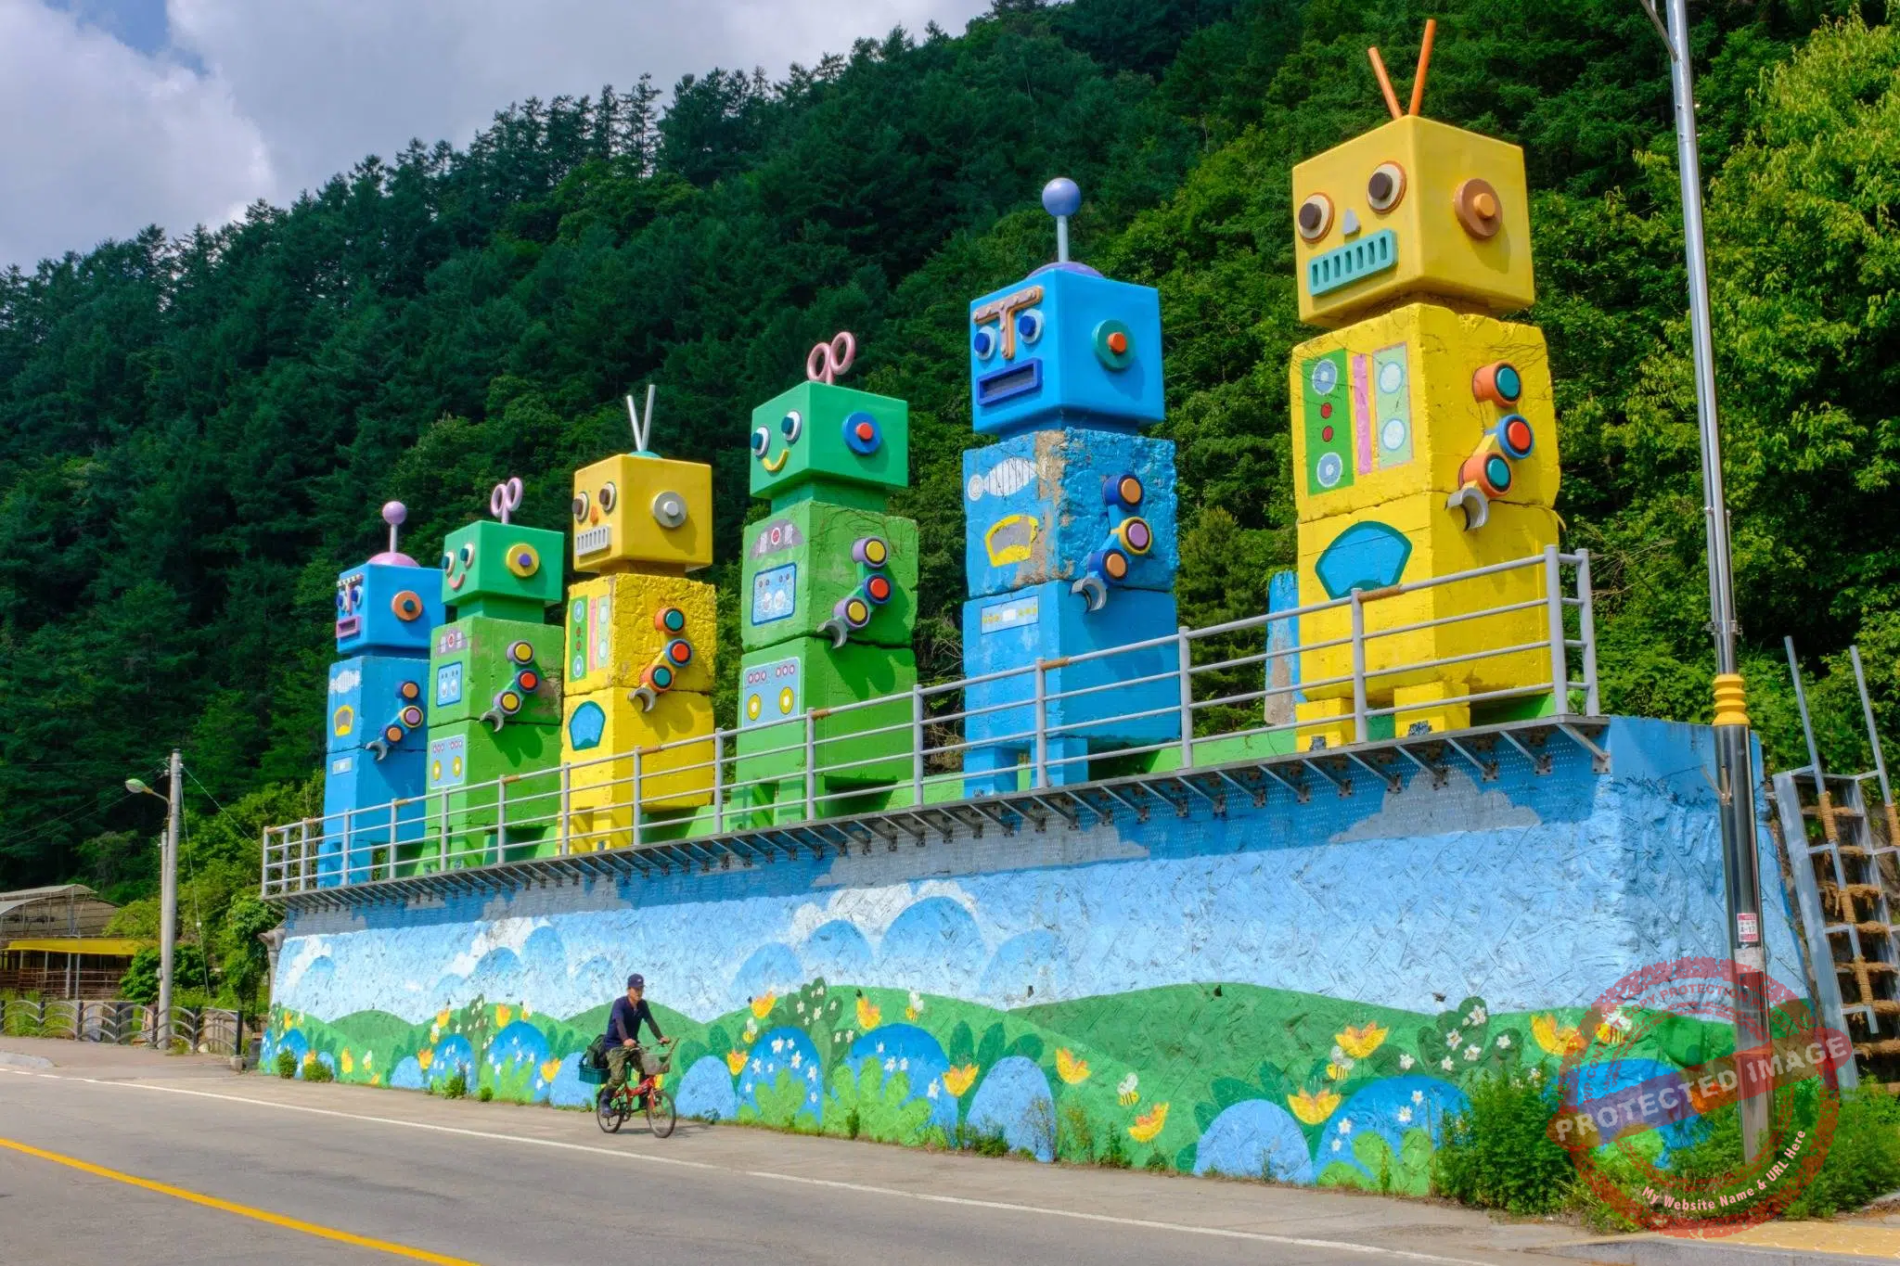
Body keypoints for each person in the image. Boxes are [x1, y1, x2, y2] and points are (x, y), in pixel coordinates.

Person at [603, 973, 666, 1095]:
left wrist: (660, 1037)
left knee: (649, 1067)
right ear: (628, 990)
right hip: (615, 1046)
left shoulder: (642, 1005)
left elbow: (650, 1021)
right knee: (618, 1078)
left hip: (632, 1045)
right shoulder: (619, 1004)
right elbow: (619, 1022)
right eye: (636, 989)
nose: (639, 992)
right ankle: (604, 1101)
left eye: (641, 988)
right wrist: (625, 1039)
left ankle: (644, 1099)